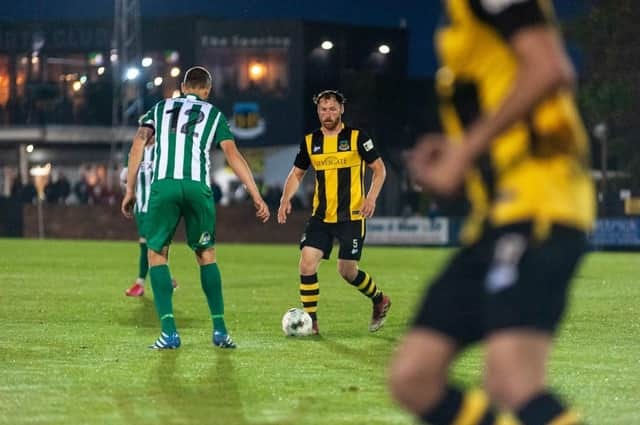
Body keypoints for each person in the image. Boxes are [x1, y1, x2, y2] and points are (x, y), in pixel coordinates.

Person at [388, 2, 595, 425]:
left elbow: (549, 68)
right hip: (494, 221)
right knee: (414, 376)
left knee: (511, 380)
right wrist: (456, 147)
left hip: (540, 204)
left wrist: (463, 152)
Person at [121, 66, 270, 349]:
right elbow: (233, 155)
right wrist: (255, 194)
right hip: (197, 187)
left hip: (163, 186)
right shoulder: (213, 114)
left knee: (157, 255)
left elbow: (138, 145)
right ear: (207, 90)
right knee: (206, 255)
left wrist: (130, 189)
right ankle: (220, 331)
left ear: (183, 86)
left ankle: (169, 333)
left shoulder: (160, 107)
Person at [277, 89, 389, 335]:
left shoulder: (358, 137)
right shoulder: (310, 141)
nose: (327, 114)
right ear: (318, 111)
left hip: (351, 216)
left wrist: (371, 198)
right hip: (321, 217)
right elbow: (297, 173)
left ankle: (379, 299)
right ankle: (311, 323)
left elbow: (379, 169)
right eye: (323, 109)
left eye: (332, 109)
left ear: (341, 110)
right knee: (307, 264)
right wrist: (286, 198)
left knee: (347, 271)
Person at [121, 143, 177, 297]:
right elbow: (124, 176)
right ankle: (166, 278)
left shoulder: (163, 149)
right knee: (151, 244)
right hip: (141, 207)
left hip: (158, 206)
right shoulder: (136, 151)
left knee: (151, 243)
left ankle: (141, 283)